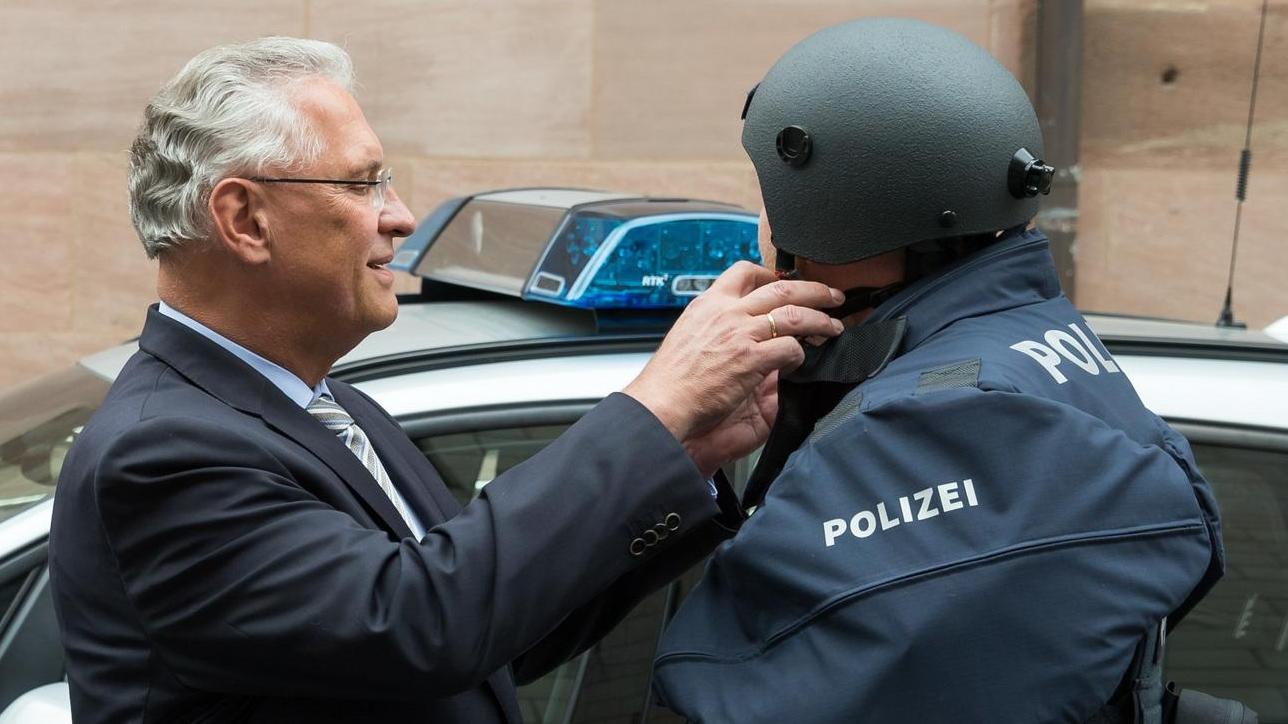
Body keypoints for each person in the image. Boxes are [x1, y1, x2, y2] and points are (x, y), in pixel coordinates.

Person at [48, 37, 847, 723]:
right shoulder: (161, 452)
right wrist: (655, 404)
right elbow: (423, 621)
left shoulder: (332, 406)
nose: (399, 214)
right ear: (245, 219)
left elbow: (498, 627)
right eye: (363, 183)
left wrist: (685, 451)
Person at [652, 18, 1226, 723]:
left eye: (770, 197)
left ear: (832, 210)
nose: (766, 226)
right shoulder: (1034, 338)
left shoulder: (918, 426)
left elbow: (720, 689)